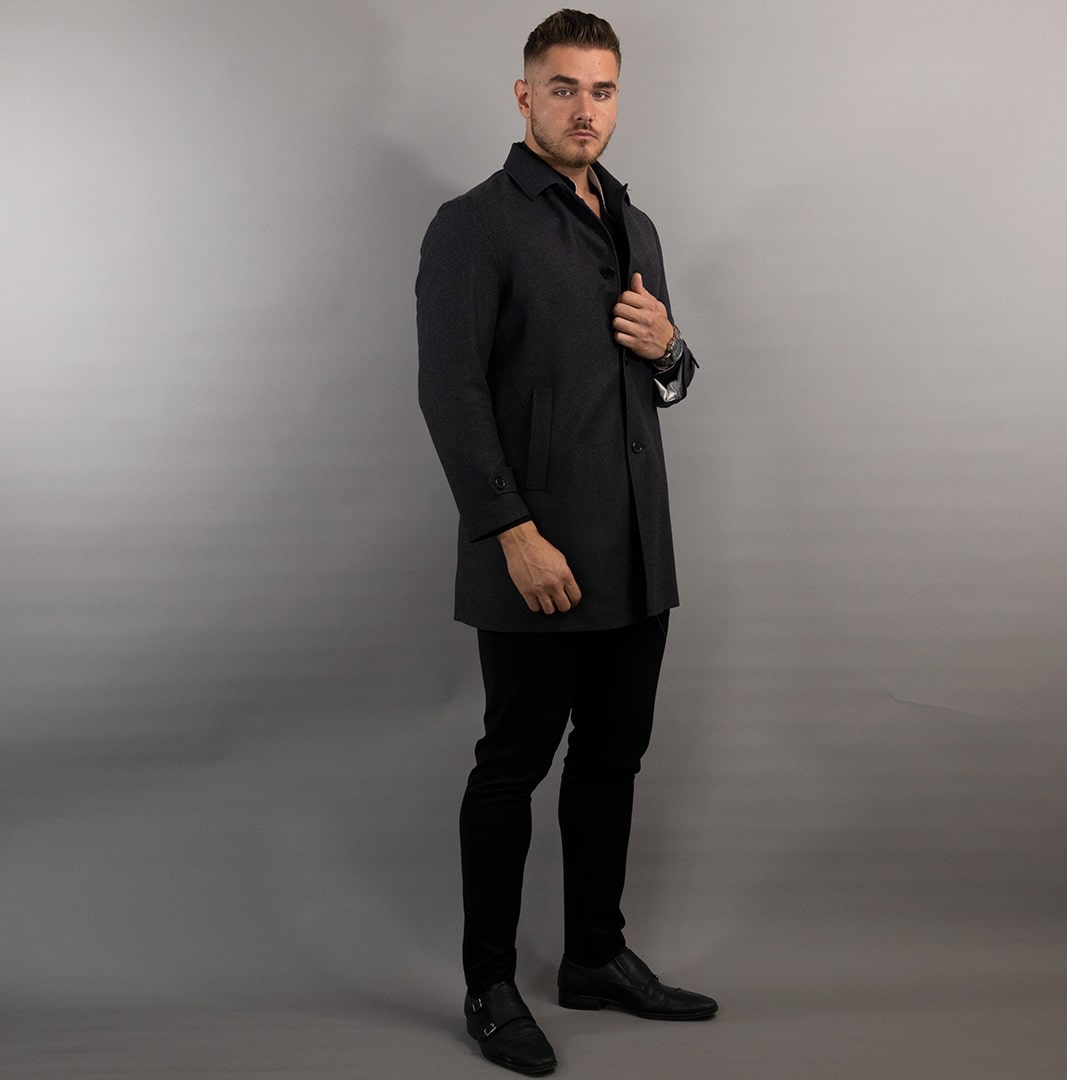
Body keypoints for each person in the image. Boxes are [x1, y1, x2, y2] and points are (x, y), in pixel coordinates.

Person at [417, 9, 716, 1075]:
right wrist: (511, 531)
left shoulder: (636, 222)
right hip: (537, 552)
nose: (584, 109)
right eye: (563, 88)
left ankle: (593, 957)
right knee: (512, 766)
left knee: (612, 758)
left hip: (637, 548)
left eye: (601, 90)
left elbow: (665, 374)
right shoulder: (474, 224)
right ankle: (489, 987)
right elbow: (450, 393)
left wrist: (672, 349)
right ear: (524, 96)